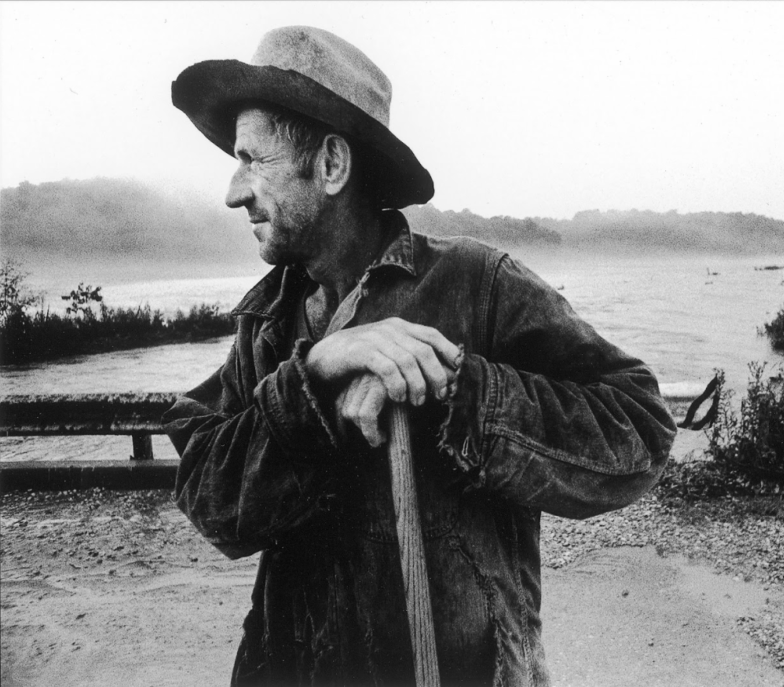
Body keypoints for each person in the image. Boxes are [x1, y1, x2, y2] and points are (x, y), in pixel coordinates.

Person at [164, 26, 676, 686]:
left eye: (251, 159)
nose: (234, 191)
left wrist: (453, 386)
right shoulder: (265, 324)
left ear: (330, 166)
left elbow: (640, 430)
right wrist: (317, 376)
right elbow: (214, 503)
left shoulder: (477, 282)